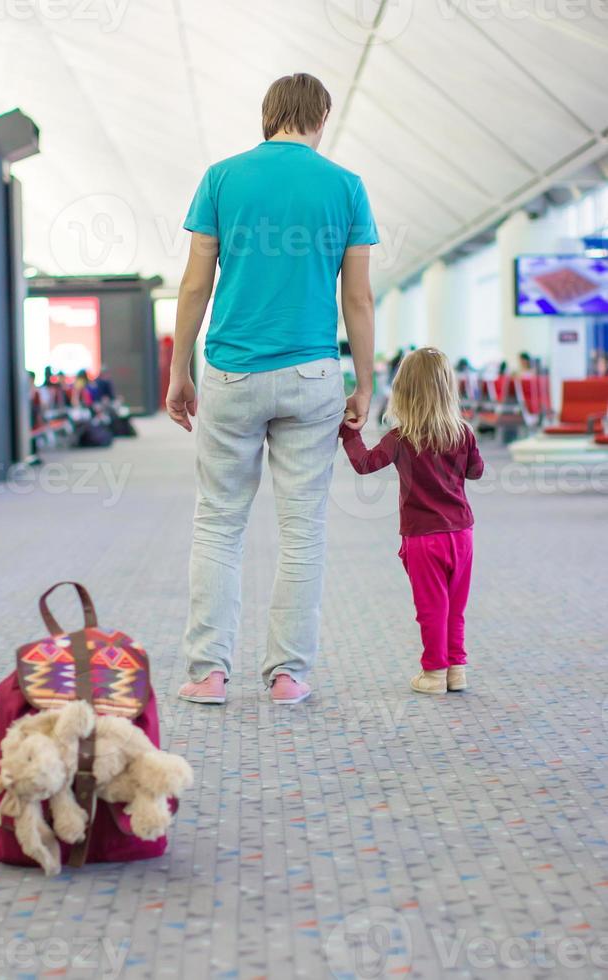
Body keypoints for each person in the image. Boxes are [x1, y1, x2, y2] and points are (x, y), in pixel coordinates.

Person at [167, 72, 378, 705]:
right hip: (313, 373)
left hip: (231, 371)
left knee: (217, 525)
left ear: (268, 116)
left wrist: (180, 371)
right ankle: (288, 674)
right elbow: (358, 298)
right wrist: (364, 383)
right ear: (320, 118)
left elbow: (193, 287)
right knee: (302, 528)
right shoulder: (346, 187)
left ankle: (208, 673)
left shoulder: (223, 178)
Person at [339, 348, 484, 695]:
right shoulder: (463, 433)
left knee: (432, 608)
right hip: (461, 534)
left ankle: (433, 673)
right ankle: (456, 669)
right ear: (449, 389)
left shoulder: (402, 438)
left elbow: (365, 463)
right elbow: (476, 472)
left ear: (402, 392)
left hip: (424, 538)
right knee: (455, 607)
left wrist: (348, 433)